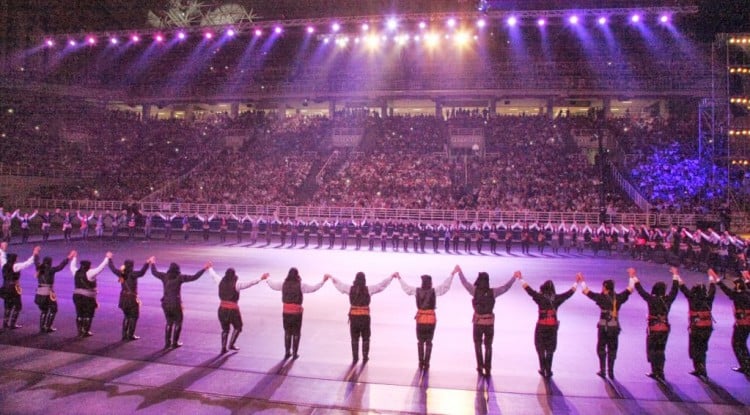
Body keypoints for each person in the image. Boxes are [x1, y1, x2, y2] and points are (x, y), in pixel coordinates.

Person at [455, 265, 516, 376]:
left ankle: (480, 366)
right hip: (489, 323)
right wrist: (514, 277)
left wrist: (460, 272)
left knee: (477, 344)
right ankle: (488, 368)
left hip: (478, 322)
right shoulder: (493, 292)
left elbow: (465, 283)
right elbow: (505, 287)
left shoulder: (474, 291)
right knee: (488, 346)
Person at [516, 271, 577, 378]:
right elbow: (569, 293)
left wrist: (521, 278)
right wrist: (577, 282)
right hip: (552, 327)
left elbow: (529, 290)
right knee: (550, 349)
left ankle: (542, 368)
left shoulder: (540, 298)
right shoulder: (557, 299)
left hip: (541, 326)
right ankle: (548, 370)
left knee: (540, 347)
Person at [328, 271, 397, 363]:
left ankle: (355, 357)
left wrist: (331, 277)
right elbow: (381, 285)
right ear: (364, 280)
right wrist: (391, 277)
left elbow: (340, 285)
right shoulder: (369, 289)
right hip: (364, 317)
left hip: (354, 317)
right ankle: (365, 356)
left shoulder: (350, 289)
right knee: (366, 337)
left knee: (354, 337)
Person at [396, 267, 456, 371]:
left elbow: (407, 289)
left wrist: (399, 278)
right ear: (430, 283)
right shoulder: (434, 291)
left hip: (420, 320)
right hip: (431, 320)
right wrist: (452, 274)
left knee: (420, 341)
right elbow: (445, 287)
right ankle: (426, 363)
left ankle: (420, 362)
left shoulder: (417, 291)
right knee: (429, 341)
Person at [579, 271, 635, 379]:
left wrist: (582, 280)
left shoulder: (601, 298)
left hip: (603, 326)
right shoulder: (618, 297)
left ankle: (602, 370)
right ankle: (611, 371)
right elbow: (630, 289)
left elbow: (587, 292)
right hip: (614, 326)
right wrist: (631, 276)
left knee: (601, 348)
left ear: (605, 287)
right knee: (612, 349)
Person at [266, 267, 327, 359]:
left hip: (286, 312)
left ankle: (287, 352)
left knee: (287, 332)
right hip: (296, 313)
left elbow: (272, 285)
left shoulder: (283, 284)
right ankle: (295, 353)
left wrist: (267, 278)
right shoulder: (301, 285)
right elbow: (313, 288)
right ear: (297, 275)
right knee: (296, 333)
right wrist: (323, 281)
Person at [631, 267, 679, 381]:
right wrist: (675, 275)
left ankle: (654, 370)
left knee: (652, 349)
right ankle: (661, 371)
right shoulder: (668, 299)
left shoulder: (651, 299)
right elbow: (675, 289)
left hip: (653, 328)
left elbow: (640, 290)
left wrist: (633, 276)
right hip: (665, 328)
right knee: (661, 350)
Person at [208, 265, 269, 354]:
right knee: (238, 327)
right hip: (232, 310)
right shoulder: (236, 284)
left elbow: (213, 275)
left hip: (221, 309)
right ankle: (231, 344)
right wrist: (260, 278)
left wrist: (209, 268)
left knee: (225, 329)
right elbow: (249, 283)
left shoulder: (220, 281)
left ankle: (223, 347)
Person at [151, 258, 210, 349]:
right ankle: (174, 343)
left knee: (169, 322)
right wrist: (204, 269)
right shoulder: (180, 277)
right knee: (178, 322)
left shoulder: (164, 276)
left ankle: (167, 343)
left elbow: (154, 272)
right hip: (175, 303)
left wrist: (152, 263)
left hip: (165, 303)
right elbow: (194, 277)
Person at [679, 269, 718, 378]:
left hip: (696, 327)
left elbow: (682, 287)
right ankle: (701, 367)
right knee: (702, 348)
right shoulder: (708, 298)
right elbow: (713, 288)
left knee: (695, 348)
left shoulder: (692, 299)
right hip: (708, 327)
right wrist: (711, 277)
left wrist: (676, 275)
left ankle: (699, 368)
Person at [109, 255, 152, 341]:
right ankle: (130, 335)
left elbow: (112, 268)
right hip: (131, 298)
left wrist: (109, 259)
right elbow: (142, 272)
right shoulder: (133, 274)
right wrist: (147, 263)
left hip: (123, 297)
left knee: (126, 316)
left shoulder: (122, 273)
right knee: (134, 316)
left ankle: (124, 335)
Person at [34, 250, 76, 333]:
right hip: (47, 293)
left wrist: (36, 253)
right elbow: (60, 266)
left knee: (44, 310)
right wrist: (69, 258)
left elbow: (36, 261)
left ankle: (42, 327)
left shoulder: (39, 268)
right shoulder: (51, 270)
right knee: (53, 309)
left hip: (39, 292)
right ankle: (48, 326)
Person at [717, 270, 750, 374]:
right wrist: (747, 278)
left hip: (741, 324)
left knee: (737, 344)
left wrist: (717, 281)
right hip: (748, 323)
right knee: (743, 344)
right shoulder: (748, 293)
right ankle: (747, 364)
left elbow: (726, 291)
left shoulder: (738, 296)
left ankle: (744, 366)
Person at [70, 251, 110, 337]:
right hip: (88, 297)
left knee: (79, 313)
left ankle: (80, 331)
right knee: (88, 314)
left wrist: (74, 257)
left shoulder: (76, 272)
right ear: (88, 266)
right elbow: (100, 268)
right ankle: (85, 331)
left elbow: (72, 266)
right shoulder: (90, 273)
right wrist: (107, 258)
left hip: (76, 296)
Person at [1, 244, 39, 330]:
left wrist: (2, 250)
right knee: (17, 305)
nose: (17, 260)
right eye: (16, 258)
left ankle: (5, 323)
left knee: (7, 305)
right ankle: (12, 324)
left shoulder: (4, 265)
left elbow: (2, 257)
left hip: (5, 287)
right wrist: (34, 254)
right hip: (13, 288)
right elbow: (27, 263)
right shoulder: (15, 266)